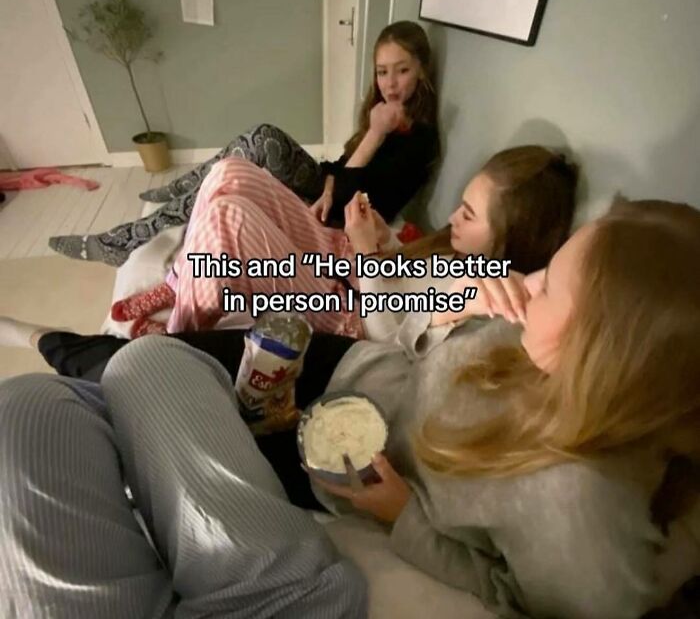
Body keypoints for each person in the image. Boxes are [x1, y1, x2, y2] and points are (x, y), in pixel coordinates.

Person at [1, 197, 698, 617]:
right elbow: (396, 325)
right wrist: (449, 305)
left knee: (104, 384)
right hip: (349, 365)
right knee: (136, 362)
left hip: (338, 454)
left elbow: (522, 597)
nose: (526, 284)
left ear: (604, 354)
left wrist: (403, 516)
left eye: (547, 286)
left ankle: (54, 347)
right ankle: (57, 344)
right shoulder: (523, 329)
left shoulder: (582, 511)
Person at [48, 20, 440, 267]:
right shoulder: (381, 112)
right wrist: (338, 173)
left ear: (422, 70)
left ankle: (129, 237)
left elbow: (361, 206)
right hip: (326, 190)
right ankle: (176, 196)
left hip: (337, 217)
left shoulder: (420, 141)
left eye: (402, 71)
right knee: (260, 141)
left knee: (242, 167)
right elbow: (342, 167)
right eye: (382, 72)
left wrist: (374, 135)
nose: (390, 83)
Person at [98, 145, 579, 339]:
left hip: (348, 315)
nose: (453, 216)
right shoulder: (456, 251)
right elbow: (405, 278)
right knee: (232, 171)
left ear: (509, 236)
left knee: (229, 220)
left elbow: (391, 331)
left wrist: (367, 254)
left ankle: (179, 337)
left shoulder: (485, 291)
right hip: (348, 265)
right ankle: (181, 280)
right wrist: (379, 240)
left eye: (469, 214)